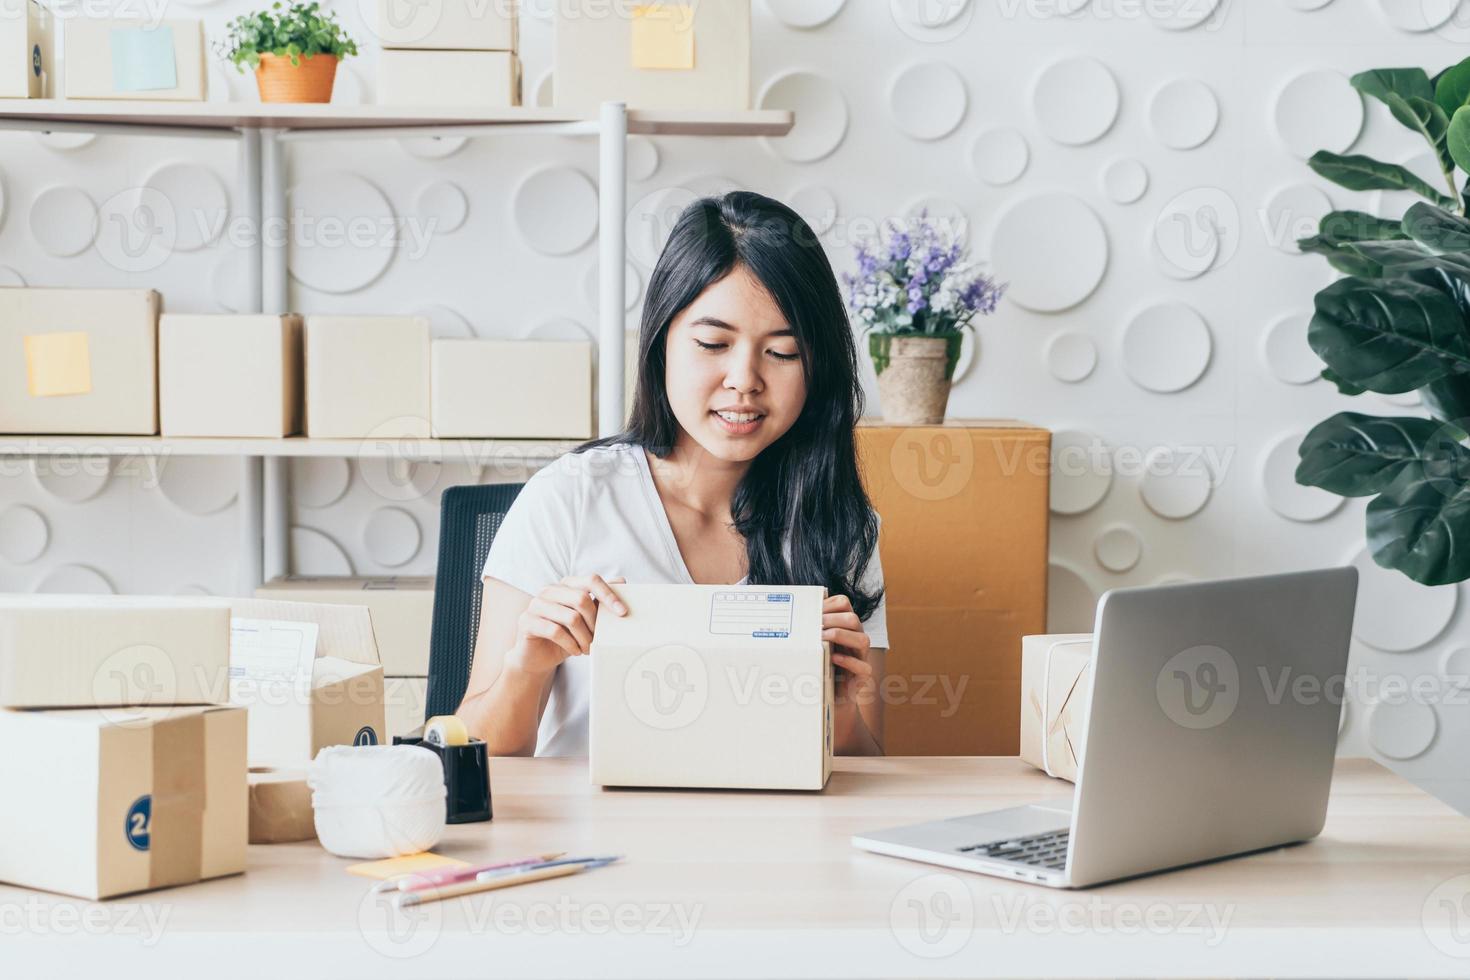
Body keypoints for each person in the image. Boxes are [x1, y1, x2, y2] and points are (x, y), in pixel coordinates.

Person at [457, 191, 888, 757]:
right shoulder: (567, 499)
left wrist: (842, 710)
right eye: (713, 343)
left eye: (782, 353)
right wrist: (527, 667)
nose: (745, 380)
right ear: (662, 344)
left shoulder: (842, 522)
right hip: (592, 837)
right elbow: (473, 751)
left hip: (767, 841)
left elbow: (867, 770)